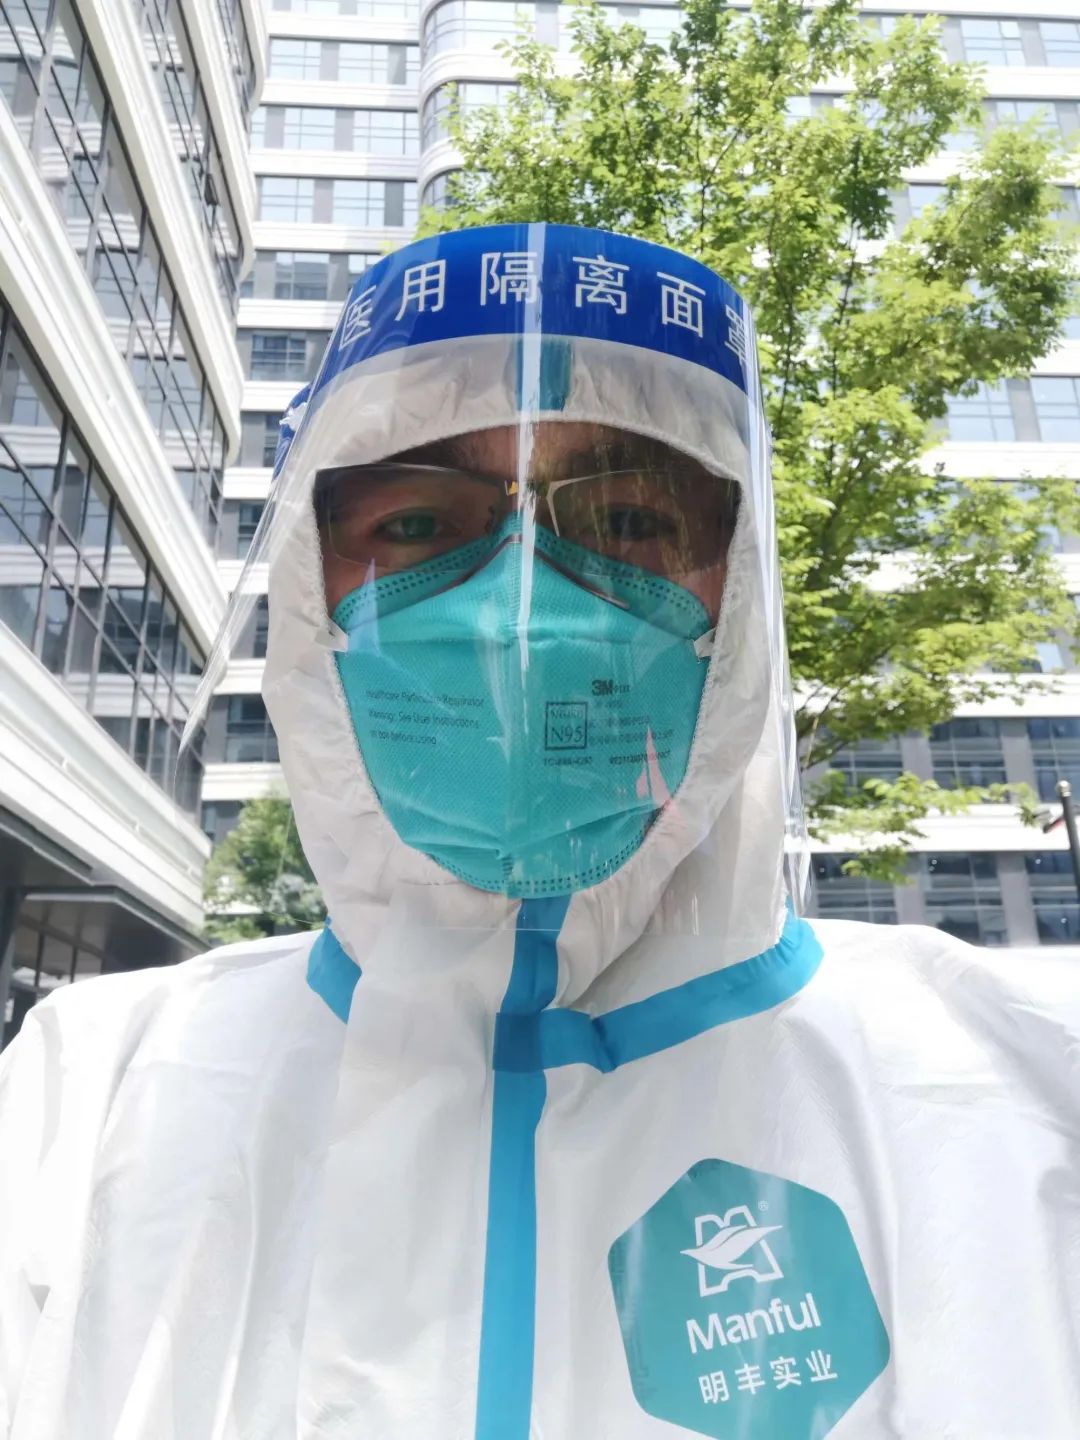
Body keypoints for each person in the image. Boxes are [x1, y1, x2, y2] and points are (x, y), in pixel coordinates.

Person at [0, 224, 1077, 1440]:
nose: (519, 613)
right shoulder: (85, 1104)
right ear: (309, 592)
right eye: (417, 525)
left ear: (737, 591)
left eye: (628, 521)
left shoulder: (1011, 1099)